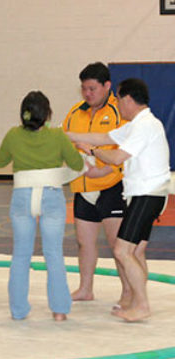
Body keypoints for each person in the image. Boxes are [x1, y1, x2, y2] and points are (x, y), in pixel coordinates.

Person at [67, 78, 170, 322]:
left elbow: (116, 157)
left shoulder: (145, 126)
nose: (117, 105)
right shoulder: (136, 124)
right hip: (146, 194)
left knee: (123, 250)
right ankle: (136, 300)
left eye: (118, 99)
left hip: (148, 194)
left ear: (127, 99)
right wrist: (64, 135)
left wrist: (89, 151)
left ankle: (142, 305)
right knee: (137, 251)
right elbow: (103, 137)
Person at [0, 91, 83, 321]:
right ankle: (60, 311)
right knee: (54, 253)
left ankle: (18, 310)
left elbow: (0, 161)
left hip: (22, 196)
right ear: (47, 114)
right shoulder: (58, 136)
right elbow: (77, 163)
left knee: (21, 255)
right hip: (51, 195)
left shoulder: (13, 135)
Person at [62, 62, 128, 305]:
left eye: (92, 88)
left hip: (112, 185)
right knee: (84, 242)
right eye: (84, 89)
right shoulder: (74, 113)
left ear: (107, 86)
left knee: (118, 244)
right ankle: (85, 288)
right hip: (83, 187)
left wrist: (105, 170)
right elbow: (66, 146)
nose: (87, 93)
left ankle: (127, 292)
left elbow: (127, 151)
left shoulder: (120, 112)